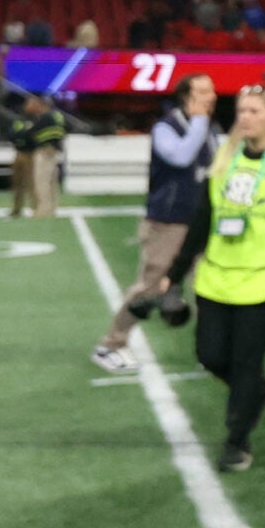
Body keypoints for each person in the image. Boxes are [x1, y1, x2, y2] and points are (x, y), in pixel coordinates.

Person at [159, 84, 265, 472]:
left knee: (246, 359)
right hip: (217, 274)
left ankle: (236, 441)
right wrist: (175, 272)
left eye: (253, 110)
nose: (244, 117)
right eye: (241, 110)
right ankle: (257, 390)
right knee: (210, 354)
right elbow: (203, 219)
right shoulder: (225, 158)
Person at [94, 73, 218, 374]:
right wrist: (200, 122)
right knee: (151, 286)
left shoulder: (211, 128)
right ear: (186, 96)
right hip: (169, 221)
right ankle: (110, 344)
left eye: (212, 90)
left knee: (210, 287)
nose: (211, 95)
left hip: (201, 221)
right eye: (203, 91)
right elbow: (180, 156)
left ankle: (212, 350)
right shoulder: (166, 127)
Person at [22, 93, 69, 218]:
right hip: (54, 150)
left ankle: (43, 210)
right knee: (51, 182)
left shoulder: (45, 118)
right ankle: (52, 208)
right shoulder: (57, 116)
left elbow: (30, 134)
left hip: (45, 151)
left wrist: (29, 133)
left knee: (42, 182)